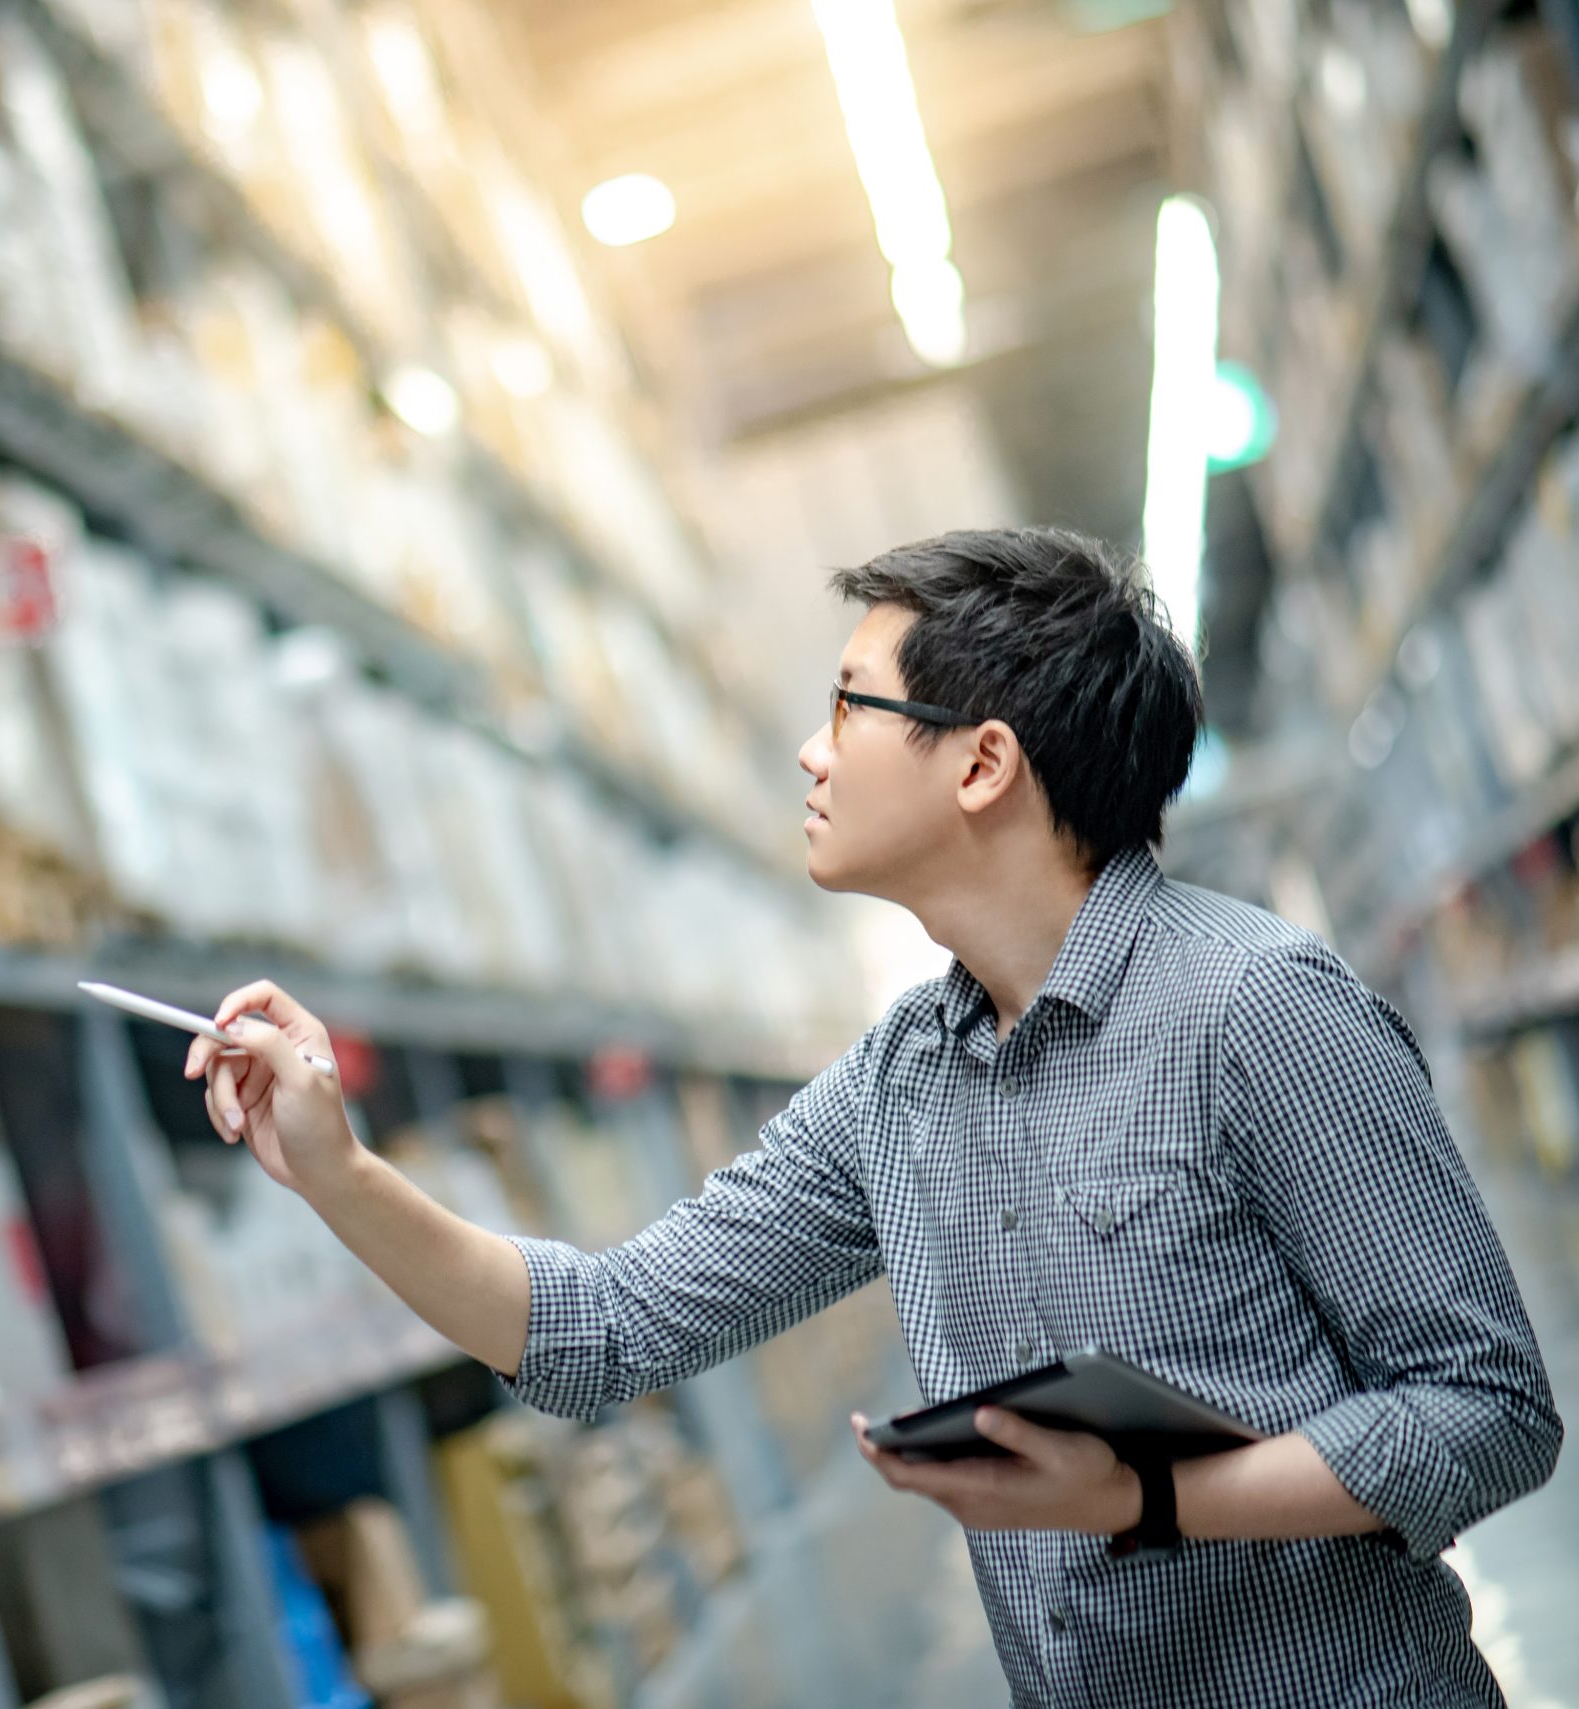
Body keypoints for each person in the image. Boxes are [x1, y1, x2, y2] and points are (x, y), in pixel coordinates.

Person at [183, 527, 1562, 1708]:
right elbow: (602, 1332)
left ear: (982, 765)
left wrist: (1152, 1498)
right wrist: (338, 1169)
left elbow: (1490, 1408)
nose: (809, 750)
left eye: (849, 705)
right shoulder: (898, 1085)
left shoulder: (1259, 1010)